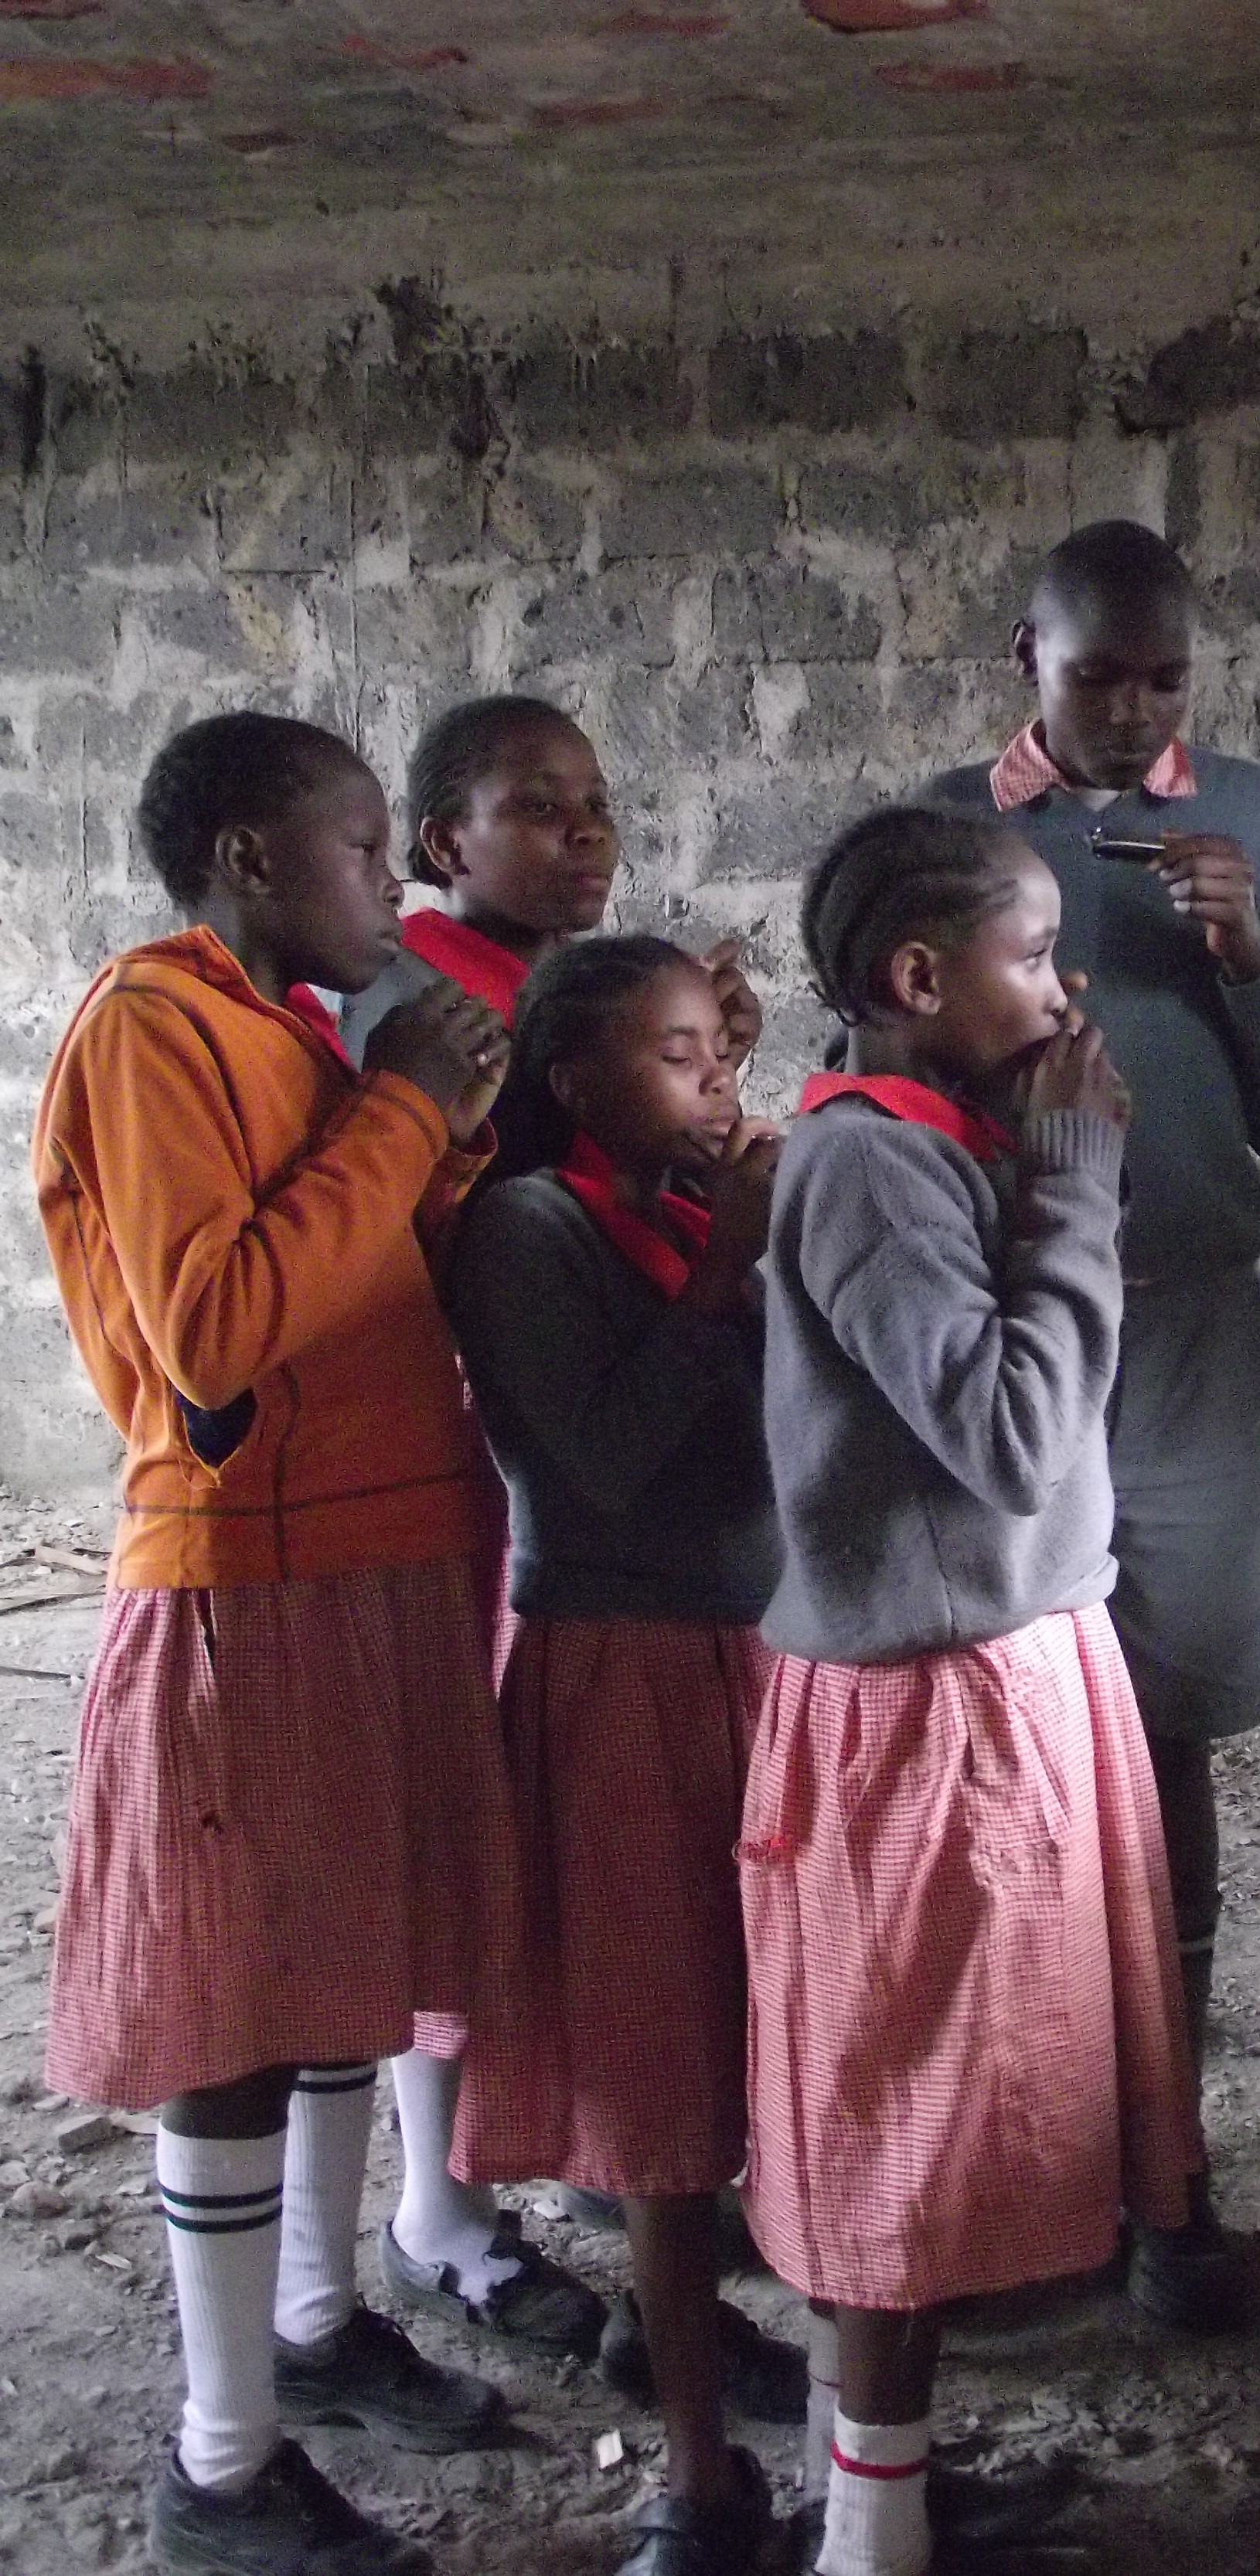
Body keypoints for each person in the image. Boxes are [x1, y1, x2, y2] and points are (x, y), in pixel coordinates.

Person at [33, 711, 530, 2574]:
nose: (388, 886)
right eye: (350, 847)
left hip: (384, 1546)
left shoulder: (305, 1036)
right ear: (246, 856)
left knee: (347, 1971)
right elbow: (222, 1328)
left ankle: (317, 2325)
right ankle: (217, 2460)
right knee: (242, 2009)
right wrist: (404, 1106)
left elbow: (364, 1270)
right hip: (246, 1571)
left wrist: (444, 1144)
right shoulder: (154, 1024)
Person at [743, 805, 1204, 2576]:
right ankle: (869, 2539)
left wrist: (1044, 1175)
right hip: (925, 1706)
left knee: (939, 2117)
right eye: (1029, 955)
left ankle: (894, 2493)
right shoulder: (867, 1165)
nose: (1062, 985)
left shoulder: (935, 1136)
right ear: (918, 978)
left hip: (1000, 1662)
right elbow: (1007, 1436)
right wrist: (1077, 1179)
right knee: (901, 2117)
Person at [918, 521, 1260, 2325]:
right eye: (1092, 670)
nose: (1125, 708)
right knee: (1015, 1738)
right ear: (1024, 649)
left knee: (1164, 1730)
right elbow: (893, 1065)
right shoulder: (949, 836)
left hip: (1183, 1335)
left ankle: (1166, 2177)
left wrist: (1248, 956)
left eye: (1162, 676)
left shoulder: (1248, 821)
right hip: (1015, 1338)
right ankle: (1033, 2173)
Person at [332, 695, 758, 2357]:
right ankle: (469, 2200)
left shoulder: (557, 1010)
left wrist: (694, 1069)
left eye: (599, 803)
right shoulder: (421, 998)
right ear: (446, 844)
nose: (588, 831)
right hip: (488, 1482)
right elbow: (506, 1191)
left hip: (635, 1533)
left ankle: (634, 2160)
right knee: (525, 1863)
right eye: (541, 808)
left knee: (622, 1885)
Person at [441, 934, 808, 2575]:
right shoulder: (528, 1227)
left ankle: (850, 2443)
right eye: (672, 1056)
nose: (712, 1081)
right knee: (663, 2075)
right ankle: (692, 2468)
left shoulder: (670, 1201)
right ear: (571, 1082)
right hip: (620, 1675)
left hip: (751, 1654)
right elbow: (596, 1461)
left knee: (778, 2031)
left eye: (717, 1052)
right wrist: (730, 1267)